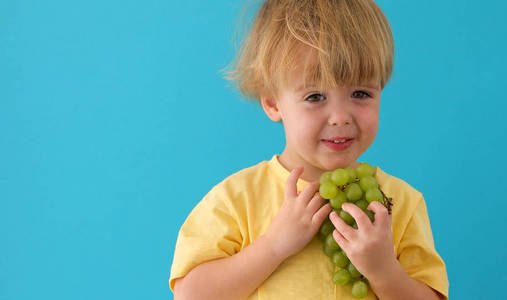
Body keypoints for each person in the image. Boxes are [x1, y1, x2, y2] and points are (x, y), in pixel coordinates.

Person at [169, 0, 449, 299]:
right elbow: (191, 295)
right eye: (315, 96)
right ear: (273, 103)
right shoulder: (238, 199)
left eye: (360, 93)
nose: (340, 116)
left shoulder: (400, 203)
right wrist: (274, 245)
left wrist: (383, 269)